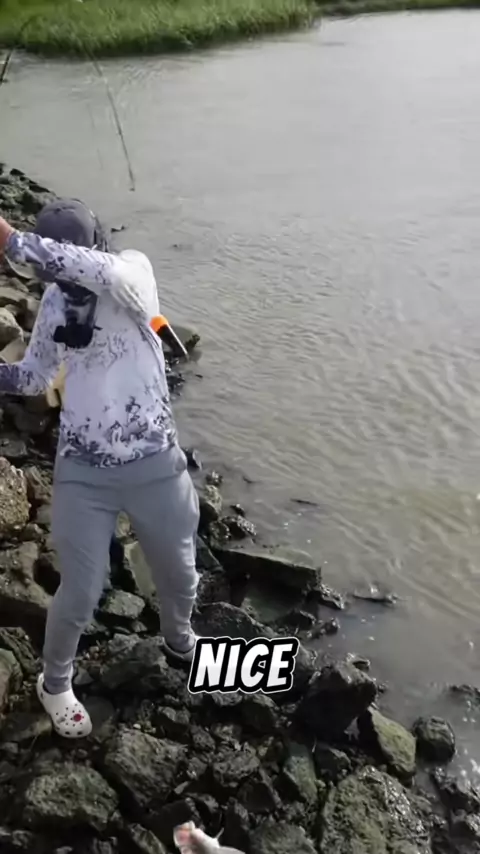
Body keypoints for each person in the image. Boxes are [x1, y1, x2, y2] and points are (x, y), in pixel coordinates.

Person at [0, 199, 200, 739]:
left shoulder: (132, 272)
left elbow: (97, 269)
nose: (62, 280)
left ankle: (180, 640)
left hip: (156, 463)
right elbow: (33, 377)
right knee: (81, 589)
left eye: (63, 263)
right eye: (53, 274)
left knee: (180, 572)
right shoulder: (54, 303)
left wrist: (12, 240)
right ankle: (54, 684)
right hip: (83, 470)